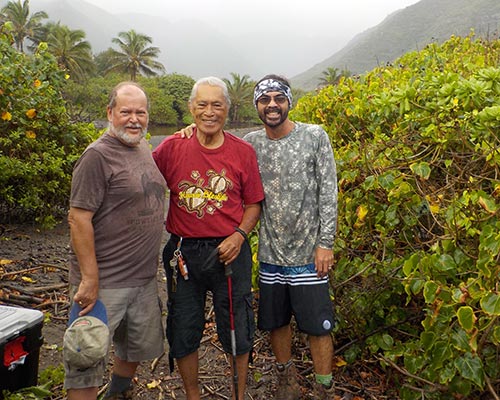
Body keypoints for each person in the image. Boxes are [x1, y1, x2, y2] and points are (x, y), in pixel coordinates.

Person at [152, 76, 264, 400]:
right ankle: (192, 395)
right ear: (191, 108)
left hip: (231, 251)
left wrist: (239, 236)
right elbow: (141, 175)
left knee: (238, 326)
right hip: (184, 252)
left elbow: (254, 204)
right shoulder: (172, 147)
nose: (210, 111)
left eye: (217, 104)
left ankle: (239, 394)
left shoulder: (242, 152)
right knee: (183, 327)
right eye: (202, 104)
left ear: (227, 109)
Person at [64, 81, 167, 400]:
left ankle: (118, 393)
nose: (134, 119)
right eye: (126, 112)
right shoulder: (97, 155)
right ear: (110, 113)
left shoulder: (142, 147)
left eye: (141, 112)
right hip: (105, 281)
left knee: (133, 346)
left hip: (142, 278)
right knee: (87, 358)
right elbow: (78, 218)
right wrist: (90, 279)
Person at [244, 74, 338, 399]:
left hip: (310, 256)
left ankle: (324, 386)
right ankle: (286, 378)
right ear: (256, 105)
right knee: (276, 322)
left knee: (317, 325)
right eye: (265, 99)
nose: (272, 105)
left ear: (288, 102)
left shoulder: (314, 136)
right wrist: (189, 132)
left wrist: (326, 243)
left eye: (278, 98)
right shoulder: (250, 143)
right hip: (270, 255)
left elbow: (328, 191)